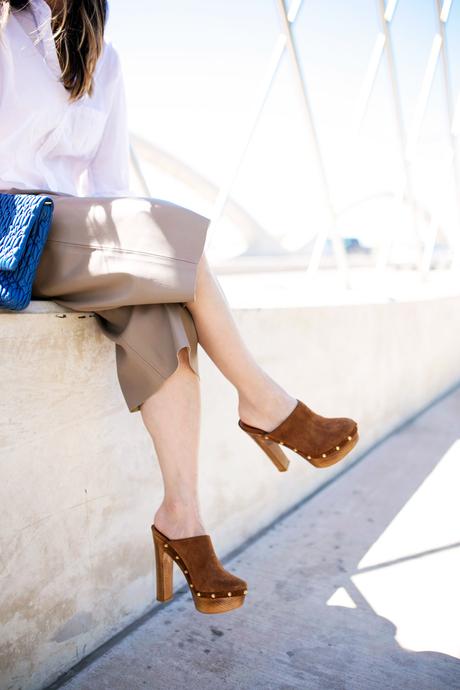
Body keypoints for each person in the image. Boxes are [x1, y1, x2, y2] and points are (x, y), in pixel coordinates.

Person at [0, 0, 359, 614]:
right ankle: (263, 402)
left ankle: (182, 516)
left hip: (70, 234)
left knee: (162, 315)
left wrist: (130, 259)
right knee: (170, 240)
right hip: (9, 225)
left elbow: (107, 187)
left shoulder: (103, 61)